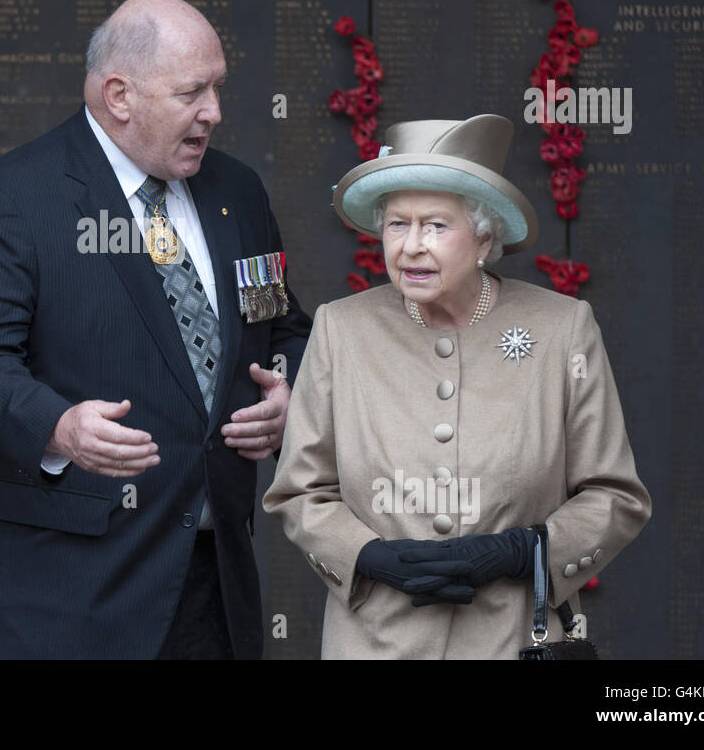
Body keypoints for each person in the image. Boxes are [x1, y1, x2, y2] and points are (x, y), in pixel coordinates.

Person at [0, 0, 311, 659]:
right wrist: (57, 424)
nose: (214, 112)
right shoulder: (9, 203)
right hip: (64, 597)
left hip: (212, 589)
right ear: (119, 95)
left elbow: (280, 326)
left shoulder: (238, 194)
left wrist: (288, 392)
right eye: (193, 91)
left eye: (218, 88)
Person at [263, 113, 653, 659]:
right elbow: (300, 491)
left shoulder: (562, 328)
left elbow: (615, 495)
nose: (411, 247)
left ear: (485, 234)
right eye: (398, 225)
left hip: (512, 639)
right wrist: (367, 557)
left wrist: (526, 551)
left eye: (437, 226)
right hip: (375, 643)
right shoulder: (340, 328)